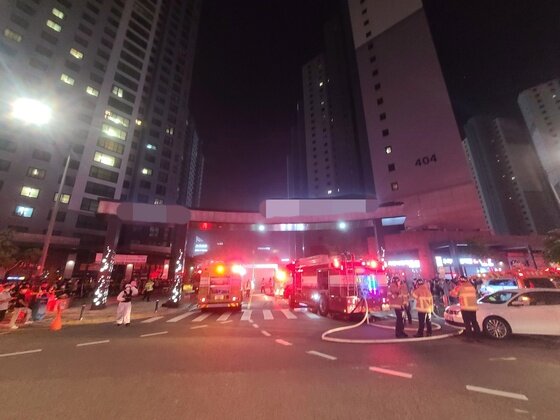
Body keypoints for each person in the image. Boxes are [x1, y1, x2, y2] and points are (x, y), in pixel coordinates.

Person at [450, 275, 481, 340]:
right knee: (474, 321)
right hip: (473, 307)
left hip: (465, 307)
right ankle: (478, 336)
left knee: (467, 323)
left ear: (460, 281)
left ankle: (469, 337)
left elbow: (453, 294)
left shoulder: (460, 286)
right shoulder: (471, 286)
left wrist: (455, 287)